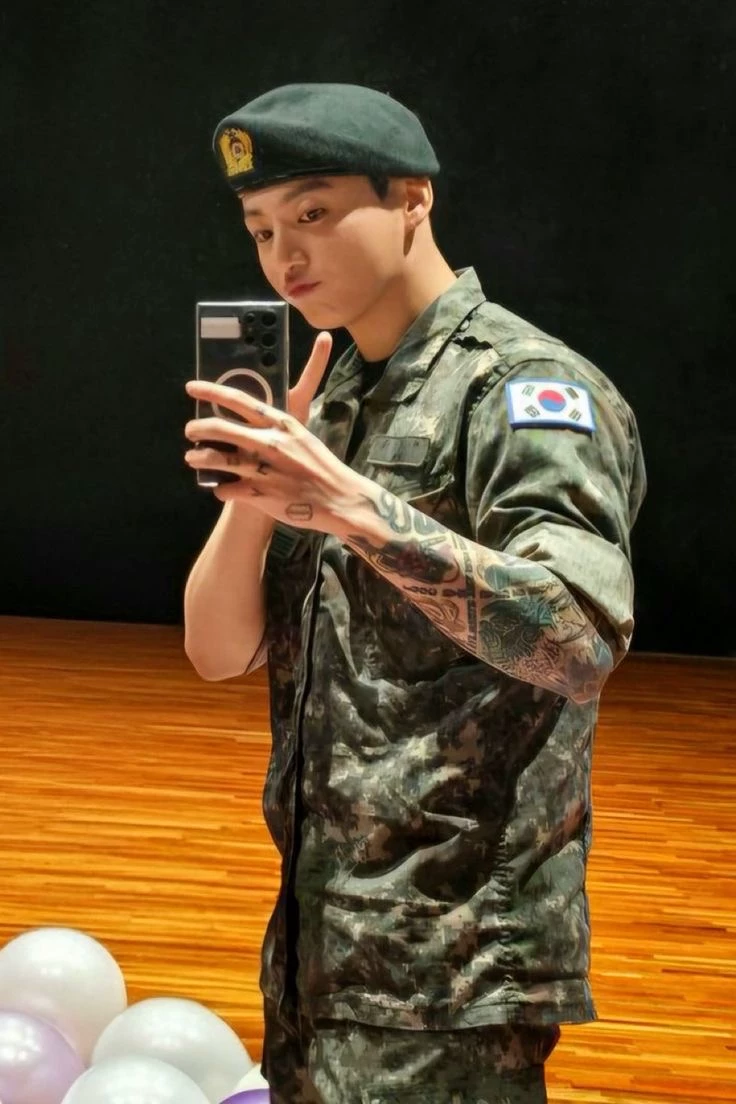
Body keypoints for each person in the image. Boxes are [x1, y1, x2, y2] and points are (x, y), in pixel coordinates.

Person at [183, 82, 646, 1104]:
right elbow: (215, 653)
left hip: (455, 967)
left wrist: (353, 506)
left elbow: (576, 642)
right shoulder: (331, 398)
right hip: (317, 943)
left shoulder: (521, 391)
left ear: (412, 199)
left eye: (312, 212)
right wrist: (254, 494)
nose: (284, 256)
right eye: (260, 229)